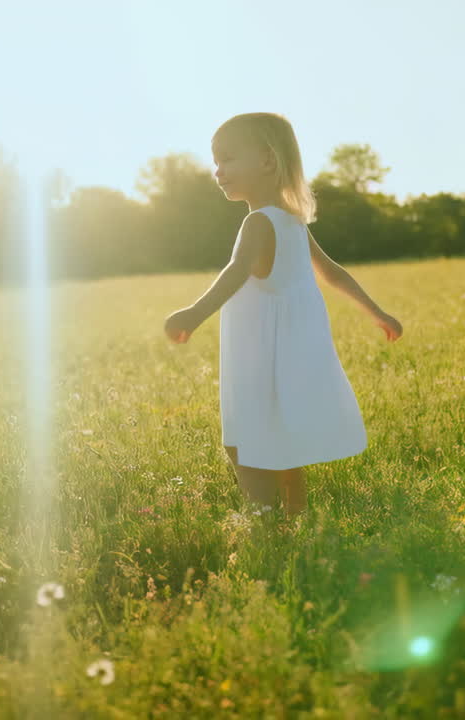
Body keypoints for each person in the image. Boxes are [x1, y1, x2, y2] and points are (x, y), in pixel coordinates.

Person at [163, 112, 403, 520]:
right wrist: (377, 312)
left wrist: (193, 313)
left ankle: (264, 523)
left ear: (268, 161)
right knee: (282, 438)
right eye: (215, 161)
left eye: (228, 159)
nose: (218, 171)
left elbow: (237, 271)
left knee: (244, 439)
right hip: (289, 350)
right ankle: (294, 518)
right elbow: (331, 271)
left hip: (257, 353)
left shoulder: (258, 222)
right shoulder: (292, 221)